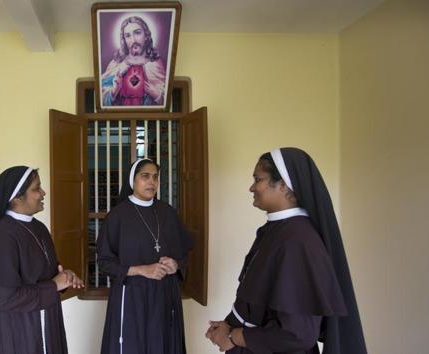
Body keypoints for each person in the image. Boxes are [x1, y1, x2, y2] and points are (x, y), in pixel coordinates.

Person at [205, 148, 367, 354]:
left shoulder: (296, 242)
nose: (251, 187)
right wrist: (229, 325)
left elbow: (297, 335)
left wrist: (233, 336)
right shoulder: (278, 231)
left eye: (258, 179)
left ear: (283, 185)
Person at [0, 166, 84, 354]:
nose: (43, 192)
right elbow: (5, 298)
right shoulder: (1, 237)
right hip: (17, 330)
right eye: (36, 188)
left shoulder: (39, 228)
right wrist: (53, 286)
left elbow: (48, 274)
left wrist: (65, 277)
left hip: (46, 321)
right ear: (16, 197)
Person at [97, 158, 193, 354]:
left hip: (164, 294)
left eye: (156, 177)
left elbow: (184, 252)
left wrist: (176, 264)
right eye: (145, 176)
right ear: (133, 181)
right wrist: (142, 270)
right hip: (132, 296)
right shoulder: (117, 216)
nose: (152, 182)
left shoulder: (167, 212)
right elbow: (104, 262)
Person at [101, 16, 166, 106]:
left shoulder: (154, 64)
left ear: (146, 35)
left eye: (137, 33)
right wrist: (113, 91)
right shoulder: (116, 64)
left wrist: (156, 95)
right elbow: (101, 98)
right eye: (128, 36)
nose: (133, 40)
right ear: (124, 40)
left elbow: (166, 101)